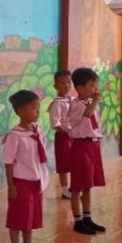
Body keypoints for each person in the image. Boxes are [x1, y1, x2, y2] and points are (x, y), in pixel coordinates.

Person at [3, 90, 51, 243]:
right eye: (33, 108)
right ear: (20, 111)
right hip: (21, 182)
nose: (37, 111)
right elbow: (8, 162)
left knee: (30, 216)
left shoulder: (37, 130)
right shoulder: (14, 135)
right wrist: (11, 186)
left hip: (35, 181)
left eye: (38, 107)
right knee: (18, 217)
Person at [66, 67, 107, 234]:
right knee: (77, 186)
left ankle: (87, 217)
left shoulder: (89, 104)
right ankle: (77, 220)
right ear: (80, 88)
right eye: (92, 85)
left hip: (91, 146)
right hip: (81, 147)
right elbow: (87, 114)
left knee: (88, 185)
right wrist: (95, 101)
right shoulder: (76, 104)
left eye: (96, 85)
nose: (95, 89)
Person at [48, 69, 74, 199]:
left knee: (74, 162)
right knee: (63, 164)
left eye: (69, 82)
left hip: (73, 136)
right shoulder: (56, 104)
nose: (66, 85)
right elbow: (55, 124)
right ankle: (64, 190)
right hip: (63, 137)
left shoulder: (73, 100)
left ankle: (74, 187)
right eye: (62, 83)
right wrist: (68, 131)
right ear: (55, 86)